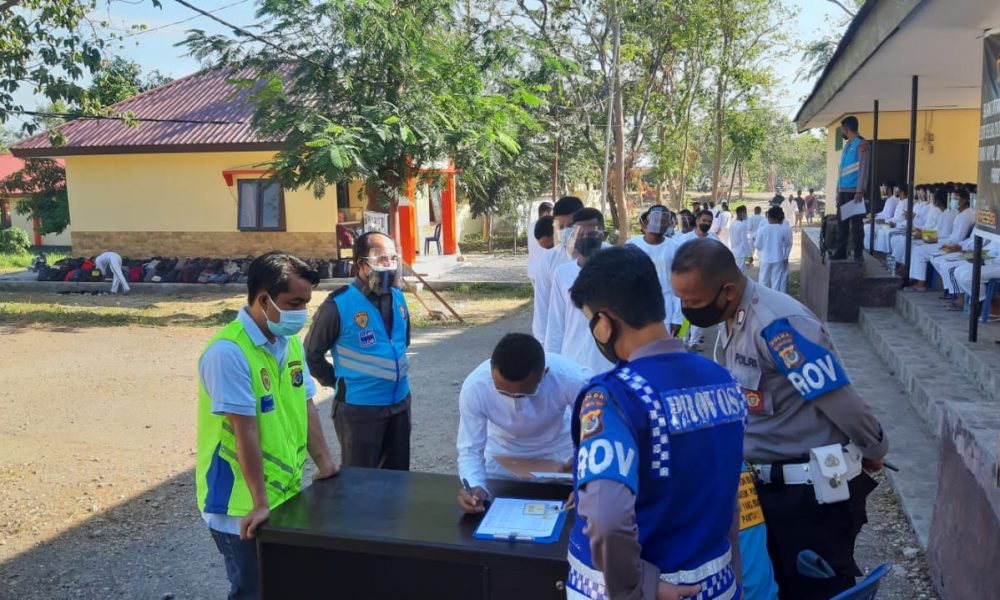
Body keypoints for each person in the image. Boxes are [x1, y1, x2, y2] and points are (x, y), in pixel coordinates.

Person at [672, 239, 888, 600]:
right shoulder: (732, 317)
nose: (685, 310)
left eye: (692, 303)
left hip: (807, 496)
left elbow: (839, 400)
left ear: (727, 290)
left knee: (815, 588)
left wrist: (874, 447)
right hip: (765, 488)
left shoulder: (777, 325)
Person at [565, 245, 746, 600]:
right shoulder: (724, 380)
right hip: (717, 584)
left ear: (604, 324)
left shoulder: (612, 398)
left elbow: (606, 517)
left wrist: (639, 588)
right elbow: (730, 496)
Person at [197, 252, 339, 600]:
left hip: (284, 495)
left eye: (306, 303)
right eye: (294, 302)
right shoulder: (228, 353)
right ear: (263, 299)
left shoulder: (288, 342)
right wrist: (259, 503)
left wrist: (325, 463)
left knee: (285, 584)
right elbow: (244, 430)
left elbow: (306, 405)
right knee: (254, 590)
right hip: (240, 505)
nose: (301, 313)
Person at [304, 231, 413, 470]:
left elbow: (402, 343)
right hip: (359, 409)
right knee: (360, 483)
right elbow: (312, 353)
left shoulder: (398, 298)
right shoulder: (338, 305)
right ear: (361, 265)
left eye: (393, 258)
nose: (390, 266)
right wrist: (338, 382)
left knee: (398, 480)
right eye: (382, 259)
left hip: (400, 404)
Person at [455, 334, 592, 512]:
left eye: (522, 395)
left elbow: (597, 433)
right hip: (502, 460)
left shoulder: (572, 379)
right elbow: (470, 449)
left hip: (559, 459)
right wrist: (475, 486)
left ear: (544, 373)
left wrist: (586, 474)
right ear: (491, 370)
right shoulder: (476, 386)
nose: (514, 400)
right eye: (502, 392)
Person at [545, 208, 614, 373]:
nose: (584, 239)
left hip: (610, 365)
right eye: (579, 234)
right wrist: (551, 364)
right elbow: (555, 324)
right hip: (572, 365)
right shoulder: (562, 273)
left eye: (591, 234)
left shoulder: (619, 269)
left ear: (603, 235)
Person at [533, 196, 585, 342]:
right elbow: (542, 309)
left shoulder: (607, 255)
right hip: (566, 344)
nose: (566, 231)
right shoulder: (549, 260)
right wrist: (544, 347)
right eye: (561, 227)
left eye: (571, 224)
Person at [627, 206, 683, 336]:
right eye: (655, 219)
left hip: (666, 308)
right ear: (646, 222)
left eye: (664, 220)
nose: (659, 223)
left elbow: (678, 285)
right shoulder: (632, 245)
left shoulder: (675, 247)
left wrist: (677, 317)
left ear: (669, 223)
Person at [833, 115, 869, 262]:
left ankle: (858, 253)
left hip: (855, 192)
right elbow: (841, 169)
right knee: (841, 223)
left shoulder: (862, 144)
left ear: (846, 129)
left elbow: (864, 168)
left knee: (856, 224)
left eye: (843, 129)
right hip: (843, 191)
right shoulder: (847, 145)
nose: (843, 132)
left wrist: (860, 190)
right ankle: (841, 251)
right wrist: (837, 189)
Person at [755, 207, 792, 292]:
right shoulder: (783, 229)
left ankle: (763, 299)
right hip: (778, 258)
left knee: (763, 280)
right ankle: (775, 299)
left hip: (765, 258)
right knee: (776, 282)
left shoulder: (762, 229)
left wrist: (763, 249)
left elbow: (757, 245)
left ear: (769, 216)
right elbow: (787, 243)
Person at [527, 202, 553, 281]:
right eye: (552, 214)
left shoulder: (531, 225)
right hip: (541, 271)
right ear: (546, 214)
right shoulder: (544, 227)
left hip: (533, 269)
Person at [730, 205, 753, 273]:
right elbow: (744, 242)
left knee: (735, 273)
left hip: (733, 251)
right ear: (740, 213)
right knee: (740, 275)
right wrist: (749, 255)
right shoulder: (742, 225)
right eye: (745, 212)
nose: (746, 214)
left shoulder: (732, 224)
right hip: (740, 254)